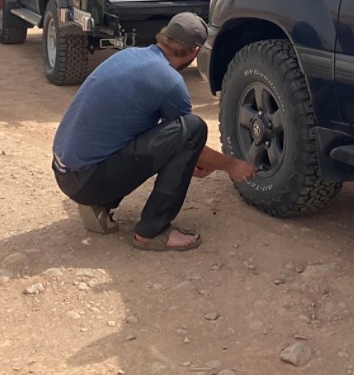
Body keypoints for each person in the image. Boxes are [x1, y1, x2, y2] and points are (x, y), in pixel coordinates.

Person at [51, 13, 256, 251]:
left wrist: (188, 159)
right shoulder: (169, 82)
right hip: (88, 181)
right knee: (193, 127)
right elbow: (187, 137)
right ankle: (152, 230)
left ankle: (100, 203)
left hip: (65, 172)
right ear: (195, 51)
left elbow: (154, 134)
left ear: (164, 36)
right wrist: (232, 165)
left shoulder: (128, 55)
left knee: (167, 132)